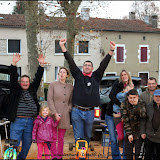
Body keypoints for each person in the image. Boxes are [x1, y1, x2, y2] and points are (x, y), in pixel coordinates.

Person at [59, 39, 115, 144]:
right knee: (78, 137)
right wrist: (63, 47)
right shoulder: (78, 75)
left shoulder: (96, 76)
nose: (87, 66)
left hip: (90, 112)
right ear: (83, 67)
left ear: (92, 68)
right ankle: (80, 156)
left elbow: (103, 64)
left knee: (87, 136)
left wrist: (111, 51)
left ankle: (84, 155)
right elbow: (70, 61)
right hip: (77, 112)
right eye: (85, 65)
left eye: (89, 65)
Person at [8, 53, 45, 160]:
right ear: (20, 83)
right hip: (17, 121)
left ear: (29, 83)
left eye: (27, 82)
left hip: (30, 122)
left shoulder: (32, 89)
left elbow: (37, 78)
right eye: (23, 82)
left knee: (27, 144)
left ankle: (20, 158)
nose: (25, 83)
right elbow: (13, 77)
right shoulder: (16, 90)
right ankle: (11, 159)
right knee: (13, 144)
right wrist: (14, 64)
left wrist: (41, 65)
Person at [105, 69, 133, 159]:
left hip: (125, 116)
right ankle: (116, 157)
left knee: (125, 137)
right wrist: (120, 105)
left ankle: (125, 157)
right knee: (113, 139)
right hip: (111, 114)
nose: (124, 76)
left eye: (125, 74)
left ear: (128, 75)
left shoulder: (132, 86)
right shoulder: (117, 83)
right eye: (122, 75)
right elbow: (111, 95)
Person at [47, 67, 73, 160]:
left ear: (67, 75)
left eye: (64, 72)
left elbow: (71, 100)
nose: (61, 74)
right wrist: (54, 113)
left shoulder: (70, 87)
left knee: (61, 138)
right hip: (54, 114)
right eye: (60, 72)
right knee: (53, 137)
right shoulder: (52, 85)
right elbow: (49, 99)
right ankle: (54, 156)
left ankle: (60, 156)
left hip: (65, 115)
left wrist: (68, 109)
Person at [121, 89, 146, 160]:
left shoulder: (142, 103)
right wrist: (129, 134)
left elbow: (143, 116)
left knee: (139, 153)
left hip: (139, 131)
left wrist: (136, 106)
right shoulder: (124, 104)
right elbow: (125, 120)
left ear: (137, 97)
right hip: (129, 129)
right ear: (128, 97)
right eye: (130, 98)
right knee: (128, 152)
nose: (132, 100)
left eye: (134, 98)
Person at [141, 89, 160, 160]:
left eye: (159, 96)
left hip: (159, 137)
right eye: (156, 96)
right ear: (153, 97)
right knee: (148, 155)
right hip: (149, 136)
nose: (158, 98)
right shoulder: (148, 106)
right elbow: (143, 120)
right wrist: (142, 132)